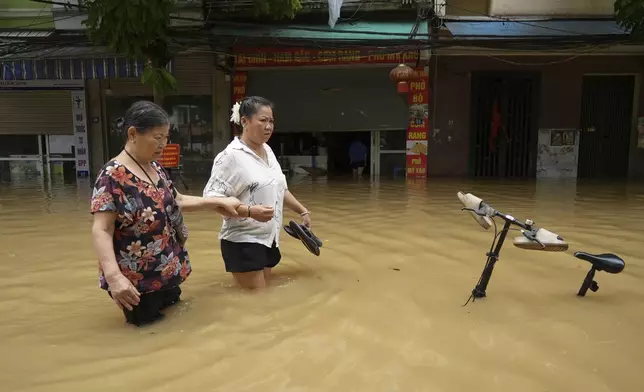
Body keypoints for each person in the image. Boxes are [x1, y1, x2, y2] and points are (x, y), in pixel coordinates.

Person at [90, 100, 244, 326]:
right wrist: (114, 278)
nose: (163, 144)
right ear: (133, 133)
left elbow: (177, 200)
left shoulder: (155, 167)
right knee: (147, 334)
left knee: (174, 325)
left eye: (166, 137)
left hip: (166, 271)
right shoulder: (112, 176)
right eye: (157, 137)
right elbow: (102, 229)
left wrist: (217, 202)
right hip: (136, 282)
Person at [203, 96, 312, 290]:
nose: (268, 126)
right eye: (263, 120)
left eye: (271, 121)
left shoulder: (268, 151)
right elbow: (212, 200)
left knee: (263, 301)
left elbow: (280, 188)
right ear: (244, 121)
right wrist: (249, 212)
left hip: (269, 239)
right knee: (256, 304)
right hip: (243, 241)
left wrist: (302, 210)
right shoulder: (230, 157)